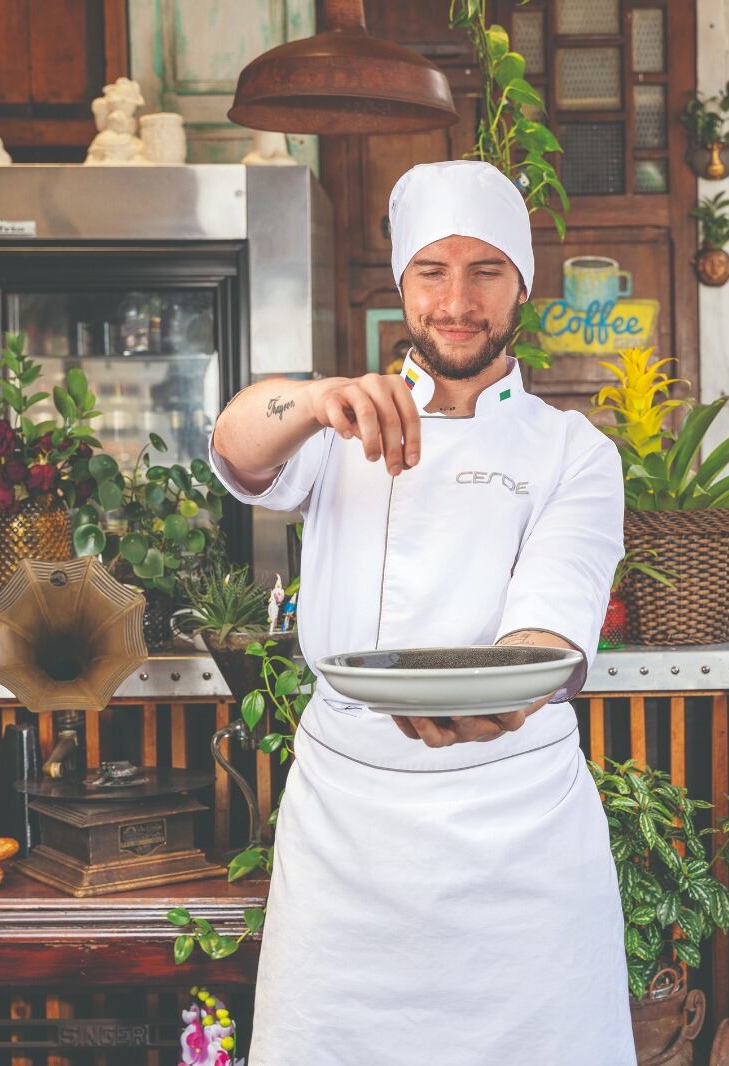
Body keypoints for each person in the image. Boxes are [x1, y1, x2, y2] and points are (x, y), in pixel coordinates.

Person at [208, 160, 633, 1065]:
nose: (458, 301)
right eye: (432, 272)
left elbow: (551, 628)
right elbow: (236, 443)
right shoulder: (339, 425)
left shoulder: (573, 451)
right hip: (348, 833)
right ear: (401, 283)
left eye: (486, 271)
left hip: (517, 826)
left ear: (523, 284)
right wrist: (320, 400)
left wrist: (506, 690)